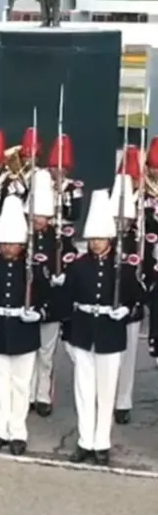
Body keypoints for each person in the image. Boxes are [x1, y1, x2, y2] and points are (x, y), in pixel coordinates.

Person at [60, 188, 146, 466]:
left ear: (109, 238)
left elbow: (138, 298)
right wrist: (68, 334)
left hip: (110, 332)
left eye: (100, 238)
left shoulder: (122, 268)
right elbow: (68, 301)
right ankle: (85, 440)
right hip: (84, 331)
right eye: (92, 238)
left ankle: (102, 442)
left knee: (107, 390)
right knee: (84, 389)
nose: (96, 243)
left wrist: (127, 310)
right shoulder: (78, 266)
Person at [0, 196, 48, 457]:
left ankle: (18, 432)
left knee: (21, 385)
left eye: (14, 244)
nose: (8, 248)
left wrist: (38, 313)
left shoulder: (34, 268)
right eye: (4, 243)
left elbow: (47, 296)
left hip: (23, 330)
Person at [27, 168, 78, 417]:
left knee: (46, 353)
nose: (38, 219)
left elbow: (71, 263)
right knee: (26, 351)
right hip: (28, 299)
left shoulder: (60, 239)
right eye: (35, 214)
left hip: (51, 300)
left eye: (43, 216)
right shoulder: (22, 235)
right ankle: (27, 394)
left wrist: (63, 275)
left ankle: (43, 394)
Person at [112, 154, 149, 425]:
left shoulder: (148, 207)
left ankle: (122, 400)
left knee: (129, 349)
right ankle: (107, 394)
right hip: (110, 285)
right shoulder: (111, 204)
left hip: (137, 280)